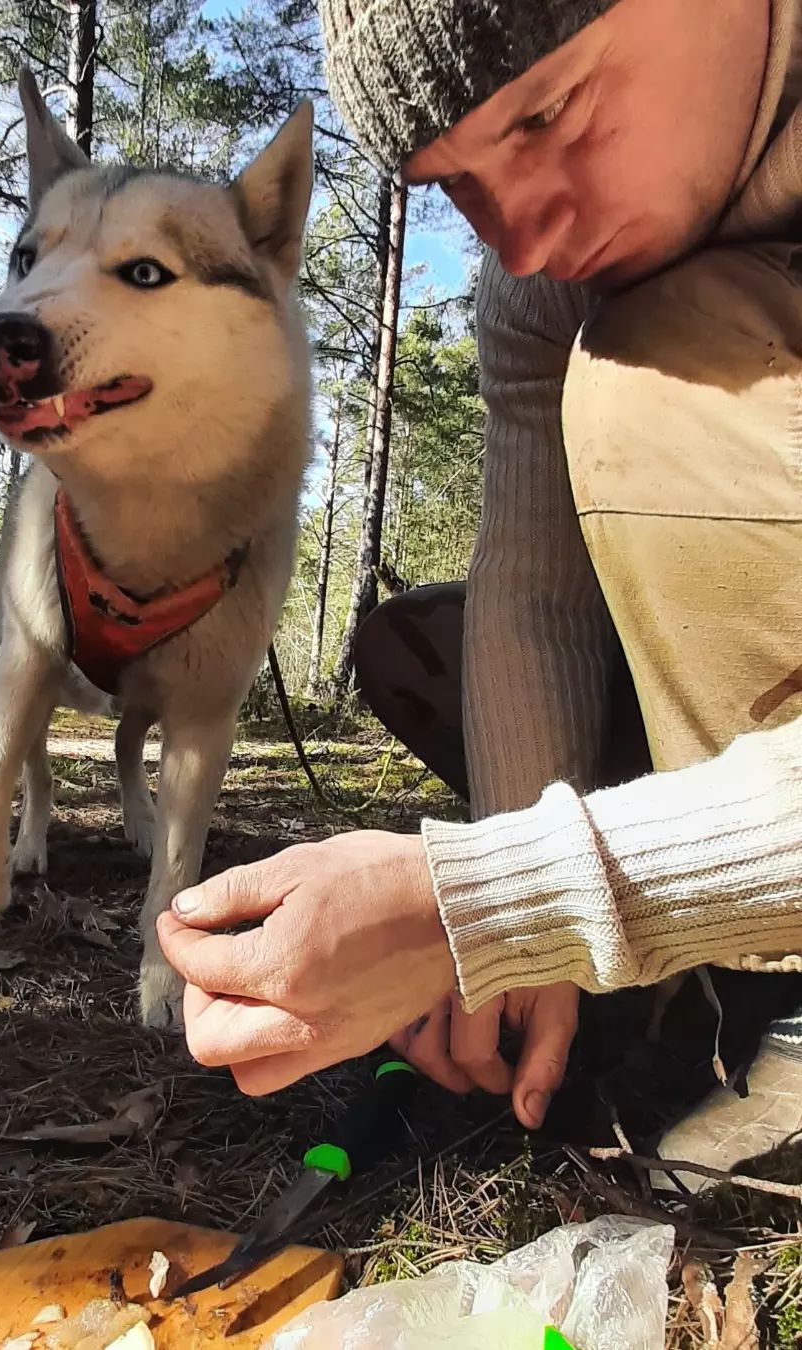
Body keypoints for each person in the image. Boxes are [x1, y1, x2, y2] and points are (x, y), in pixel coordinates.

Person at [159, 0, 802, 1180]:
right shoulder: (551, 275)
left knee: (662, 372)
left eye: (553, 109)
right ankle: (691, 956)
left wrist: (506, 896)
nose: (521, 234)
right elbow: (535, 590)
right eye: (457, 184)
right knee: (426, 644)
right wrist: (523, 938)